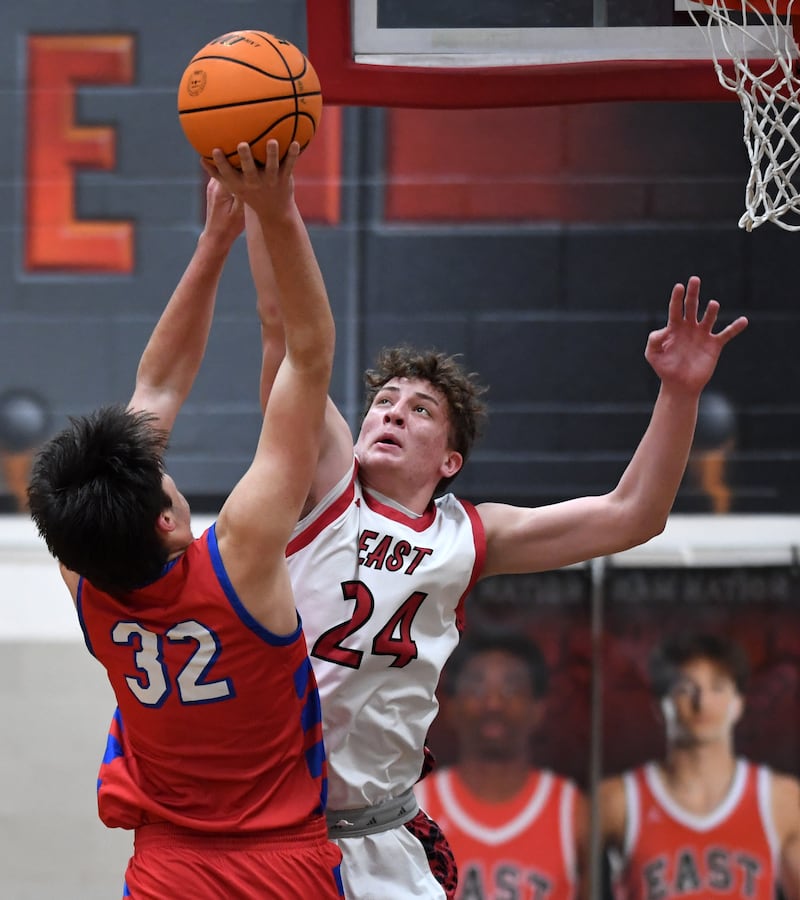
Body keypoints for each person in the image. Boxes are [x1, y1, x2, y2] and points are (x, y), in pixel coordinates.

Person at [246, 224, 749, 899]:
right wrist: (261, 200)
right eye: (383, 402)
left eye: (419, 409)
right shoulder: (324, 486)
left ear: (450, 460)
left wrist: (679, 392)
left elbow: (634, 514)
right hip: (277, 833)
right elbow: (283, 334)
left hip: (380, 836)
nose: (392, 413)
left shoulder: (468, 535)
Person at [26, 141, 344, 899]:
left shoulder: (83, 575)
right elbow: (308, 354)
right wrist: (274, 210)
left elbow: (157, 385)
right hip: (283, 863)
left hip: (167, 866)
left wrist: (215, 242)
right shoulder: (239, 559)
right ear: (169, 522)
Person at [599, 631, 800, 900]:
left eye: (717, 687)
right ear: (661, 705)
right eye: (685, 688)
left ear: (738, 703)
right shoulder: (617, 800)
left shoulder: (781, 799)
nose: (702, 702)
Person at [414, 631, 590, 900]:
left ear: (538, 708)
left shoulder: (572, 809)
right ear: (450, 706)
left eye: (511, 689)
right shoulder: (417, 807)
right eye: (477, 688)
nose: (493, 703)